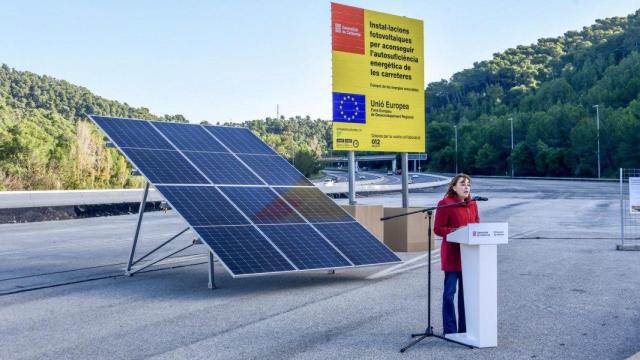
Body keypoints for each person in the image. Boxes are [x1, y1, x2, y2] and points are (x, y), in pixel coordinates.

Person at [433, 173, 479, 335]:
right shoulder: (445, 204)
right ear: (454, 187)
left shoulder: (473, 204)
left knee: (465, 296)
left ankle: (464, 330)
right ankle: (450, 331)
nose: (466, 187)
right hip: (453, 255)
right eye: (463, 184)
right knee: (449, 295)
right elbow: (438, 229)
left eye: (468, 184)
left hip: (469, 256)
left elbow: (477, 226)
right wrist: (456, 231)